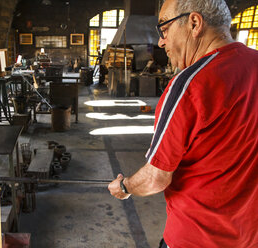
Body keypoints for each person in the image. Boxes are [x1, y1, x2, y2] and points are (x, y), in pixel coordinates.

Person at [108, 0, 258, 247]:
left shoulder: (190, 85)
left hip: (195, 238)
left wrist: (125, 186)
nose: (161, 42)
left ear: (194, 23)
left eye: (164, 30)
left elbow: (156, 177)